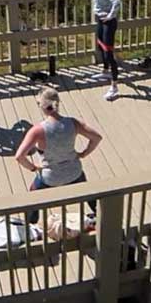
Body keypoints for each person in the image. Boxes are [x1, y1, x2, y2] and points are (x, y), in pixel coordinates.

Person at [15, 87, 104, 228]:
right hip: (74, 173)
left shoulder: (37, 130)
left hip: (50, 177)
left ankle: (30, 227)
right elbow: (97, 138)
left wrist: (33, 168)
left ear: (42, 106)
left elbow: (19, 156)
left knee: (33, 196)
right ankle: (102, 217)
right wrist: (84, 153)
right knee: (89, 193)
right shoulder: (73, 123)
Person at [83, 0, 122, 101]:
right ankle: (105, 71)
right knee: (100, 45)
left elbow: (117, 2)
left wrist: (110, 16)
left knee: (109, 53)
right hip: (100, 19)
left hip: (108, 22)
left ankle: (114, 86)